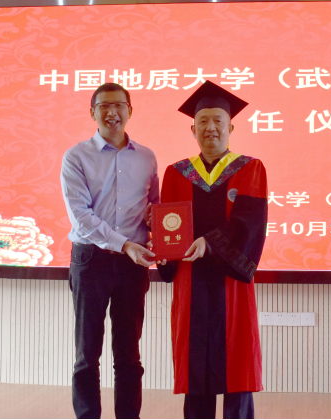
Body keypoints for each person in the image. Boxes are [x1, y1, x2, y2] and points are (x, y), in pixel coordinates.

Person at [157, 81, 268, 419]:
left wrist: (209, 243)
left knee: (236, 365)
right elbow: (169, 228)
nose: (211, 127)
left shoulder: (249, 168)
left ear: (231, 127)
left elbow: (248, 223)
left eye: (218, 120)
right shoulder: (177, 173)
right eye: (203, 121)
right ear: (193, 130)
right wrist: (159, 243)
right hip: (190, 281)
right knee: (195, 369)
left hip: (230, 284)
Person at [61, 83, 158, 419]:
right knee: (87, 353)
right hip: (90, 260)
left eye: (119, 105)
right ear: (93, 112)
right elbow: (81, 216)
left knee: (129, 353)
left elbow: (155, 206)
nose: (112, 112)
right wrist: (125, 244)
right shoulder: (76, 157)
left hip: (133, 266)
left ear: (130, 110)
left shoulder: (146, 157)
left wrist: (158, 223)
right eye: (104, 106)